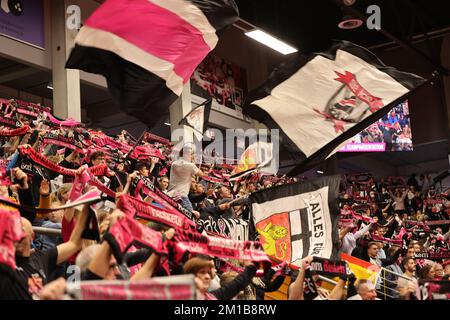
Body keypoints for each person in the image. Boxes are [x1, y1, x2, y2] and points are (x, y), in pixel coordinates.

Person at [183, 256, 257, 300]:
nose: (207, 277)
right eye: (202, 272)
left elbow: (237, 284)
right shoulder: (180, 297)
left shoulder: (213, 296)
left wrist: (251, 266)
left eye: (209, 273)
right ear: (191, 275)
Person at [167, 148, 205, 213]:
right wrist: (193, 163)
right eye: (192, 154)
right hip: (182, 196)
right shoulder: (190, 165)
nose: (193, 156)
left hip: (170, 194)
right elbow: (202, 174)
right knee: (190, 218)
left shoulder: (174, 163)